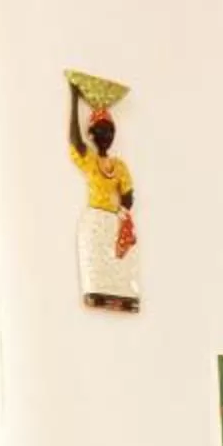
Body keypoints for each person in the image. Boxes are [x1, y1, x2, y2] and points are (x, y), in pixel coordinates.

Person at [69, 86, 139, 311]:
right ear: (91, 134)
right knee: (96, 262)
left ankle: (123, 299)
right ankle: (98, 296)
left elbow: (128, 193)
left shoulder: (119, 167)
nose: (106, 136)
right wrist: (74, 100)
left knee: (121, 265)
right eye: (101, 131)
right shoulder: (89, 160)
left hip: (114, 222)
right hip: (94, 220)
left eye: (110, 132)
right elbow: (75, 141)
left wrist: (124, 212)